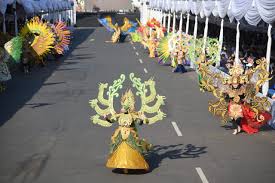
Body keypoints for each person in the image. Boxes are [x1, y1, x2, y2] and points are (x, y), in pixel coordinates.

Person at [89, 74, 166, 173]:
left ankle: (135, 164)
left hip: (130, 135)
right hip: (120, 135)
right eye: (124, 105)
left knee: (134, 148)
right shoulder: (119, 115)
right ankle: (123, 166)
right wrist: (106, 117)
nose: (124, 108)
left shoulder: (133, 115)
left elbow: (139, 122)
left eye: (127, 105)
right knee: (119, 149)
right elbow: (111, 121)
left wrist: (142, 119)